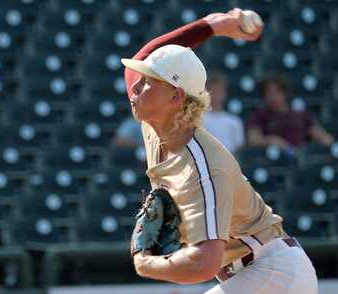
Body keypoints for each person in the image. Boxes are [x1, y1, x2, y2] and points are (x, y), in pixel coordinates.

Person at [121, 8, 318, 294]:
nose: (136, 85)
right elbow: (137, 63)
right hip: (254, 272)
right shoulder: (156, 124)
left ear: (176, 96)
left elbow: (204, 263)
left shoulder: (202, 163)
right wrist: (211, 26)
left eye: (148, 80)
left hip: (274, 273)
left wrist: (146, 263)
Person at [247, 73, 334, 154]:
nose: (273, 97)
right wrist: (273, 140)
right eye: (268, 93)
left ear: (284, 93)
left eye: (277, 92)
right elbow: (253, 140)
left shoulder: (300, 114)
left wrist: (327, 141)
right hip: (274, 159)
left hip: (299, 158)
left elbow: (320, 135)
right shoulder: (258, 116)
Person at [203, 70, 244, 153]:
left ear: (224, 93)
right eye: (212, 91)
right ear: (206, 93)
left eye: (219, 91)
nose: (216, 95)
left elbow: (239, 146)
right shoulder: (199, 119)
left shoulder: (234, 120)